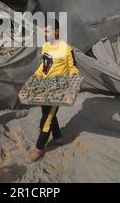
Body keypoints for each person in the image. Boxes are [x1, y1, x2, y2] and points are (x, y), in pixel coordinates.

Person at [25, 18, 80, 163]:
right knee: (47, 112)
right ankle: (58, 138)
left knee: (47, 118)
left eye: (47, 30)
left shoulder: (67, 49)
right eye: (44, 31)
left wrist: (73, 78)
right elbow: (45, 66)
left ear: (56, 31)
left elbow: (73, 67)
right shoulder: (46, 47)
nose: (45, 33)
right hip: (45, 86)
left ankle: (38, 148)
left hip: (58, 88)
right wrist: (36, 74)